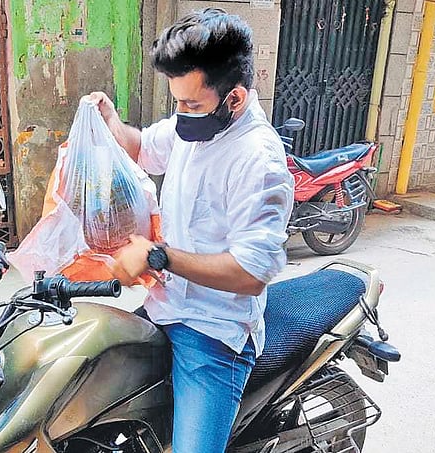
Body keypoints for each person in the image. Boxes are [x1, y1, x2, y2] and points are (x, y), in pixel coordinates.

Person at [85, 8, 293, 453]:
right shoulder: (193, 126)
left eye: (192, 104)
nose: (181, 114)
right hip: (163, 307)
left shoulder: (259, 161)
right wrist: (110, 121)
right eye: (176, 102)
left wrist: (158, 255)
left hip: (213, 332)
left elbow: (250, 274)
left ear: (235, 98)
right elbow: (143, 147)